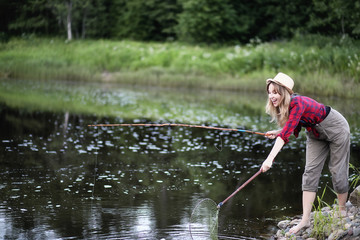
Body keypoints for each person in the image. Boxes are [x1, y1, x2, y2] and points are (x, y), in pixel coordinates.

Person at [260, 72, 350, 234]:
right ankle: (305, 221)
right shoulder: (286, 106)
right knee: (309, 172)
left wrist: (269, 159)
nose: (271, 96)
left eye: (275, 92)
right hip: (315, 133)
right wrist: (278, 131)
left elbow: (285, 135)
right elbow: (292, 126)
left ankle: (342, 211)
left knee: (337, 169)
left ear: (284, 92)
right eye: (269, 92)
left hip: (336, 128)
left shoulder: (298, 102)